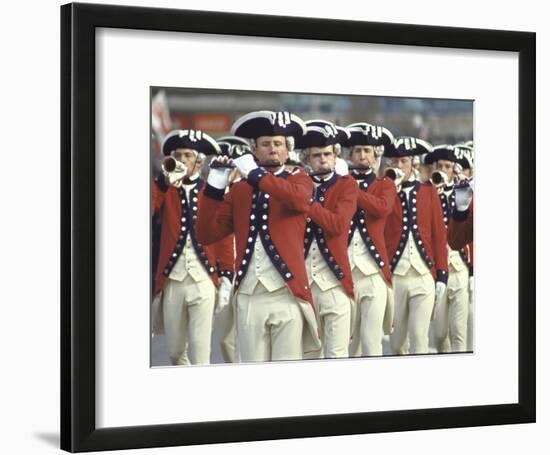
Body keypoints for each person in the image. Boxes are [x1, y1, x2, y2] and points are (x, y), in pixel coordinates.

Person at [196, 111, 321, 362]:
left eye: (278, 144)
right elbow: (206, 233)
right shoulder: (241, 189)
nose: (273, 150)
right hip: (249, 294)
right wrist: (214, 186)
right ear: (254, 149)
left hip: (287, 292)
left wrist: (255, 175)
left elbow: (298, 200)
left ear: (288, 150)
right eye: (265, 144)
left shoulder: (300, 179)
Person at [152, 129, 232, 365]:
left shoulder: (212, 190)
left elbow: (224, 236)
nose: (181, 160)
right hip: (173, 280)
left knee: (200, 352)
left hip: (204, 279)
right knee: (176, 352)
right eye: (178, 155)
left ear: (199, 161)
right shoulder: (165, 190)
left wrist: (226, 274)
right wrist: (163, 183)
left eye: (187, 155)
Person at [298, 120, 357, 358]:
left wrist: (307, 202)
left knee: (337, 356)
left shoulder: (347, 185)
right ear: (306, 159)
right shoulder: (297, 186)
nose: (322, 159)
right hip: (303, 286)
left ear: (336, 157)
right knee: (309, 356)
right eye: (316, 155)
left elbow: (337, 225)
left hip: (335, 285)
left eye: (327, 154)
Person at [384, 137, 448, 355]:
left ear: (413, 163)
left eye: (403, 161)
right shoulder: (384, 193)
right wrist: (389, 189)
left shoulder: (429, 191)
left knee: (419, 339)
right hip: (395, 276)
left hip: (423, 275)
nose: (399, 166)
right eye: (394, 162)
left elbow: (439, 234)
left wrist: (441, 275)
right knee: (396, 344)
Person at [343, 123, 397, 356]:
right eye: (357, 151)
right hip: (343, 271)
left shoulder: (385, 184)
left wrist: (350, 188)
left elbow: (382, 208)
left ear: (376, 156)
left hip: (373, 273)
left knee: (371, 341)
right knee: (346, 344)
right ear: (350, 155)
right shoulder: (339, 184)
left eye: (367, 151)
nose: (362, 156)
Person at [424, 145, 470, 352]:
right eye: (439, 165)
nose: (443, 169)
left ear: (454, 169)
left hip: (459, 266)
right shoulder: (426, 193)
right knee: (440, 333)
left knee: (458, 331)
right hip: (436, 269)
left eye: (447, 166)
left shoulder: (461, 190)